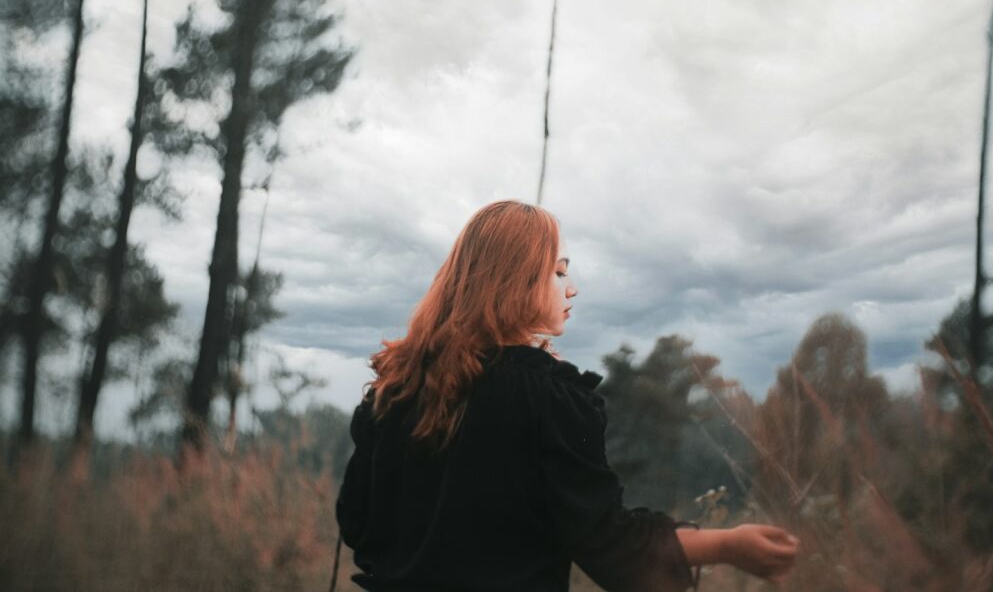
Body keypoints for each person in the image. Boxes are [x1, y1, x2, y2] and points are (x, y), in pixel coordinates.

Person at [335, 200, 798, 591]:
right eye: (557, 272)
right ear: (512, 280)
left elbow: (356, 523)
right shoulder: (547, 399)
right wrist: (729, 545)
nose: (571, 288)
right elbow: (606, 540)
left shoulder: (394, 391)